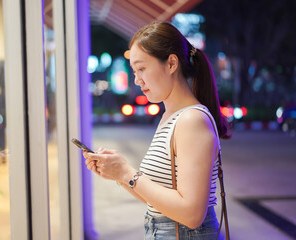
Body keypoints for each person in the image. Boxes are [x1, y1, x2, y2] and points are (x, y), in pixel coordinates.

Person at [83, 21, 230, 239]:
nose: (137, 80)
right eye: (134, 71)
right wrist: (118, 174)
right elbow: (161, 200)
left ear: (171, 64)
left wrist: (127, 172)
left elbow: (192, 214)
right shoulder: (169, 117)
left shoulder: (191, 119)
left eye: (142, 68)